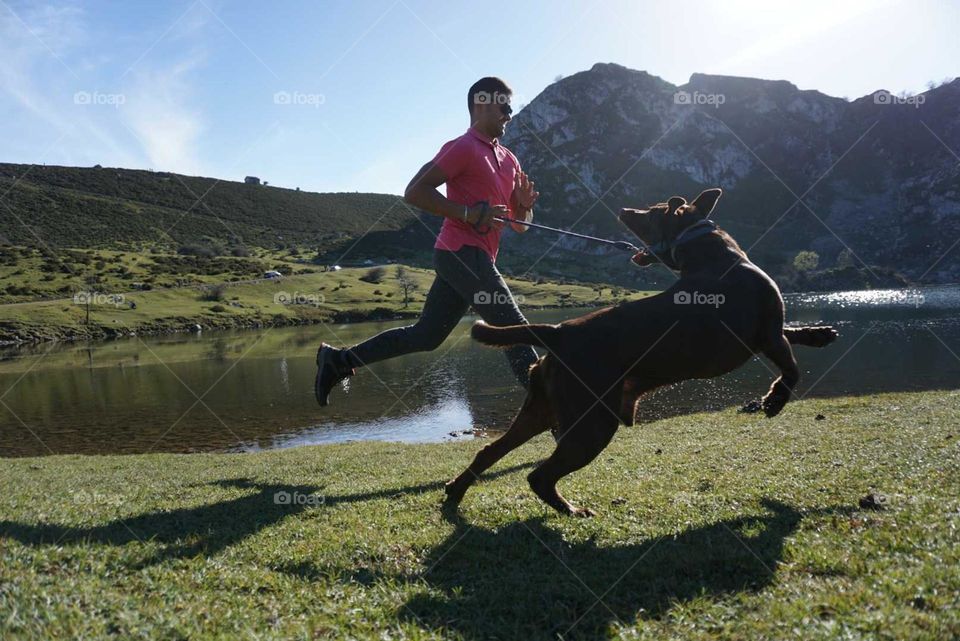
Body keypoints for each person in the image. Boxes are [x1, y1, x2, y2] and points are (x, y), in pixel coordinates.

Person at [315, 76, 540, 406]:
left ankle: (339, 360)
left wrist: (523, 207)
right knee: (514, 329)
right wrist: (466, 213)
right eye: (503, 104)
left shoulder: (509, 159)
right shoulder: (462, 147)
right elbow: (414, 191)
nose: (509, 112)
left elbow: (521, 226)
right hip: (460, 253)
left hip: (474, 260)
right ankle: (558, 415)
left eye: (511, 105)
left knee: (426, 336)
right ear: (481, 103)